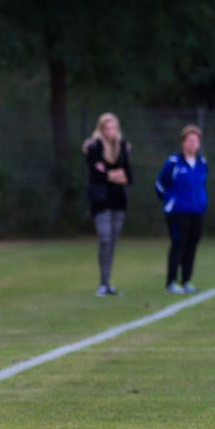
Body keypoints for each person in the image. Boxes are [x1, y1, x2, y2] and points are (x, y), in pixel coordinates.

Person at [83, 113, 133, 296]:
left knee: (112, 241)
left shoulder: (122, 148)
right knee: (104, 239)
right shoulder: (94, 147)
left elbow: (128, 177)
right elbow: (96, 176)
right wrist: (114, 175)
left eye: (114, 128)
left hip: (118, 200)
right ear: (101, 129)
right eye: (107, 128)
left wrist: (110, 174)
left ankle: (107, 282)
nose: (111, 131)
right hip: (100, 200)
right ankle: (102, 284)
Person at [156, 125, 208, 294]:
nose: (193, 144)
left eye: (196, 141)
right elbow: (160, 183)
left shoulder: (202, 162)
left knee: (192, 245)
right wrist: (170, 200)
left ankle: (186, 280)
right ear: (183, 143)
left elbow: (201, 185)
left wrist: (201, 202)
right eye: (190, 140)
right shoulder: (173, 162)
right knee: (178, 244)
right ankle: (171, 282)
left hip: (197, 211)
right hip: (178, 212)